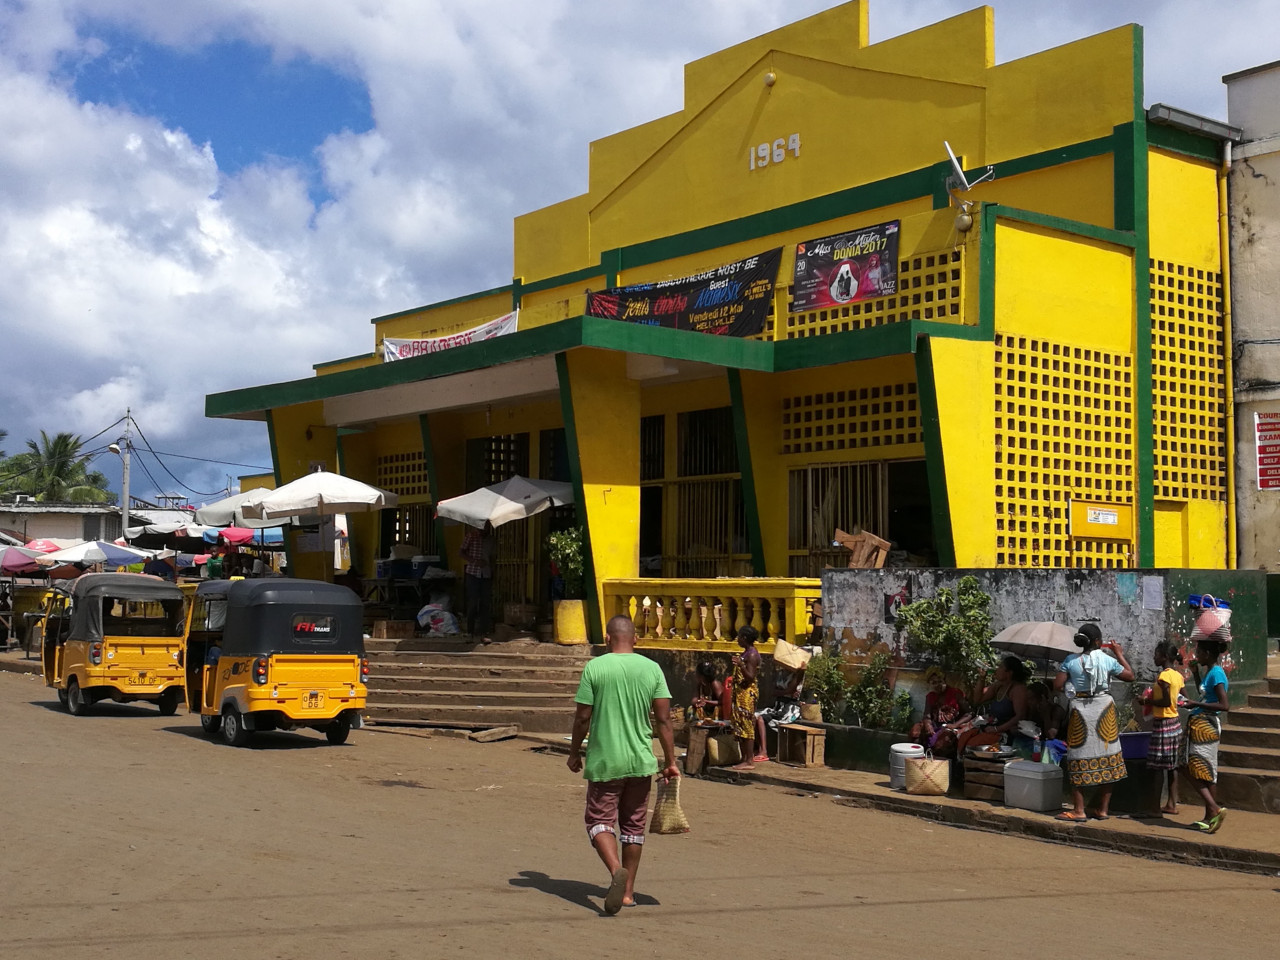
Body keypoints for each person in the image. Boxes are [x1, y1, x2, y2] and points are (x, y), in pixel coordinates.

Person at [567, 615, 678, 915]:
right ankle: (628, 894)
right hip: (641, 762)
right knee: (633, 827)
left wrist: (574, 752)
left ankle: (616, 870)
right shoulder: (652, 669)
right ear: (636, 639)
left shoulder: (595, 667)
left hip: (606, 761)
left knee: (598, 822)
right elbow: (664, 720)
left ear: (607, 639)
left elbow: (582, 717)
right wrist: (671, 761)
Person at [1054, 623, 1134, 822]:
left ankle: (1079, 810)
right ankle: (1103, 809)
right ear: (1098, 642)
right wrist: (1119, 653)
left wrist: (1072, 683)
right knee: (1108, 755)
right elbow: (1130, 676)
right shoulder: (1107, 660)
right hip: (1103, 708)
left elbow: (1057, 685)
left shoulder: (1070, 660)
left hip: (1079, 710)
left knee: (1077, 755)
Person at [1183, 639, 1229, 833]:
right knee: (1205, 770)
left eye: (1199, 652)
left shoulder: (1217, 673)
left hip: (1206, 725)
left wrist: (1196, 705)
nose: (1196, 656)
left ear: (1208, 654)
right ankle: (1210, 817)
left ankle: (1214, 808)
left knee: (1191, 768)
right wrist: (1195, 674)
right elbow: (1206, 693)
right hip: (1202, 722)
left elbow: (1223, 705)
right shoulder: (1211, 672)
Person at [1140, 640, 1186, 816]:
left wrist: (1147, 701)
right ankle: (1171, 804)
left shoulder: (1164, 676)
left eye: (1157, 654)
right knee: (1172, 766)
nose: (1154, 657)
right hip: (1175, 723)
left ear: (1165, 657)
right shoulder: (1178, 676)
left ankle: (1154, 808)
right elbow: (1182, 699)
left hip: (1163, 724)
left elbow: (1166, 701)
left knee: (1158, 768)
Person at [955, 655, 1029, 755]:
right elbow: (977, 700)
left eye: (1000, 667)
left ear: (1009, 673)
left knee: (973, 745)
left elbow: (1020, 716)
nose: (996, 670)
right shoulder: (998, 686)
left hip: (1005, 733)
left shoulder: (1018, 690)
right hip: (991, 728)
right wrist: (982, 678)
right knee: (963, 737)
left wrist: (997, 729)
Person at [911, 665, 967, 752]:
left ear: (944, 681)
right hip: (935, 726)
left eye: (940, 681)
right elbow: (927, 715)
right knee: (916, 731)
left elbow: (969, 713)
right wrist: (928, 725)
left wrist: (955, 725)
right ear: (930, 684)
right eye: (934, 683)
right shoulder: (930, 696)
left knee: (942, 743)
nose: (937, 685)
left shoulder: (955, 693)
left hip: (951, 726)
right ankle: (917, 758)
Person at [729, 625, 761, 771]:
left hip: (747, 696)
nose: (738, 639)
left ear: (745, 638)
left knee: (747, 727)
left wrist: (741, 665)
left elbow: (750, 677)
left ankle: (749, 760)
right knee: (740, 726)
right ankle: (744, 758)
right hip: (739, 695)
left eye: (740, 637)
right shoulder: (746, 653)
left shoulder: (752, 655)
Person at [460, 522, 495, 639]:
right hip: (473, 573)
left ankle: (484, 630)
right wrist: (474, 561)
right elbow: (461, 552)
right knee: (473, 603)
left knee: (485, 603)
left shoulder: (491, 540)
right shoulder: (471, 536)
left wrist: (492, 571)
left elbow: (492, 557)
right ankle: (470, 630)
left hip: (486, 574)